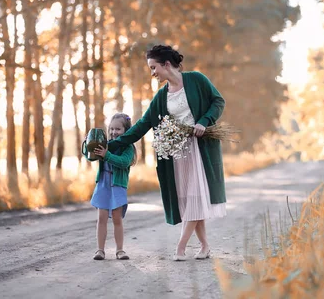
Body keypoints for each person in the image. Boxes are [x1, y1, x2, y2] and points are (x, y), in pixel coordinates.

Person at [107, 44, 227, 261]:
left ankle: (180, 248)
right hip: (177, 155)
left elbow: (218, 101)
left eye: (154, 68)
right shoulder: (162, 96)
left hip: (200, 151)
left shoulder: (197, 80)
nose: (152, 73)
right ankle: (205, 246)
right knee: (191, 201)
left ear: (167, 64)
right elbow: (142, 125)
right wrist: (113, 145)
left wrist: (203, 122)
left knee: (195, 199)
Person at [86, 113, 136, 261]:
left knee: (116, 218)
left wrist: (107, 155)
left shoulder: (128, 147)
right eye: (112, 129)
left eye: (118, 129)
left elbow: (123, 162)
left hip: (117, 185)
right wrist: (87, 144)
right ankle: (100, 250)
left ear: (126, 130)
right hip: (103, 184)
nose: (114, 132)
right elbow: (90, 156)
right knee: (101, 218)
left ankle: (120, 250)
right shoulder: (105, 143)